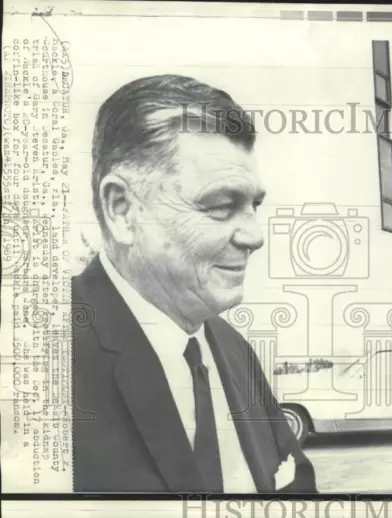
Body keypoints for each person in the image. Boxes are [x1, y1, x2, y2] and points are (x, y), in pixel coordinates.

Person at [72, 74, 317, 493]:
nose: (255, 236)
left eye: (254, 205)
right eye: (222, 205)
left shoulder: (234, 349)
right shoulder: (39, 356)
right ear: (122, 209)